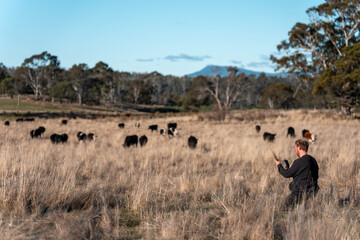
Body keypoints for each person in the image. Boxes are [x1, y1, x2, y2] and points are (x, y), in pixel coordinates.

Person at [274, 138, 319, 210]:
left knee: (285, 208)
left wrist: (279, 166)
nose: (295, 150)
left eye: (295, 148)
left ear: (299, 148)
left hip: (300, 193)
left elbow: (286, 174)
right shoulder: (313, 160)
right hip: (313, 192)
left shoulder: (299, 161)